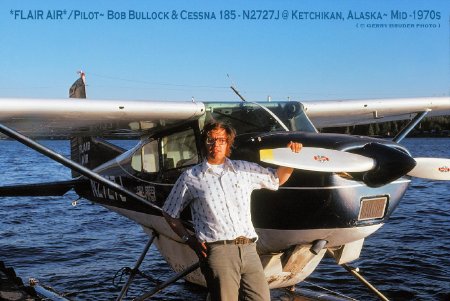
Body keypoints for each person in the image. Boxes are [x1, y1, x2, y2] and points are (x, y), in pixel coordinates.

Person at [162, 121, 302, 301]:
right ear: (204, 142)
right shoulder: (190, 177)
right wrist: (189, 240)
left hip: (249, 248)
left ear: (228, 143)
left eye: (221, 140)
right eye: (210, 140)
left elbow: (276, 179)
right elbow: (169, 212)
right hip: (219, 251)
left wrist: (291, 157)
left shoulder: (243, 168)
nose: (215, 145)